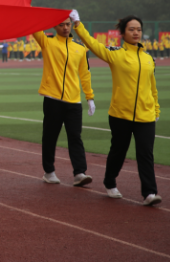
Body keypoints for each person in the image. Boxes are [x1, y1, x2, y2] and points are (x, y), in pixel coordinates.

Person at [72, 11, 162, 206]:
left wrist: (156, 110)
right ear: (123, 33)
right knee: (118, 151)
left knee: (145, 154)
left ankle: (149, 193)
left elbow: (152, 87)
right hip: (120, 114)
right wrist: (78, 24)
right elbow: (93, 44)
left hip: (145, 116)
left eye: (138, 29)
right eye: (131, 29)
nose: (136, 33)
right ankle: (110, 181)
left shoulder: (148, 59)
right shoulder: (115, 55)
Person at [32, 19, 95, 187]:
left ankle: (80, 173)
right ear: (54, 26)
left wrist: (89, 97)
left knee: (75, 136)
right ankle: (49, 171)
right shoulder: (47, 42)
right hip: (52, 99)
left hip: (74, 101)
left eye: (68, 24)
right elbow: (34, 26)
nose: (65, 27)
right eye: (61, 24)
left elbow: (85, 74)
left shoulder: (80, 49)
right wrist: (28, 8)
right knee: (50, 136)